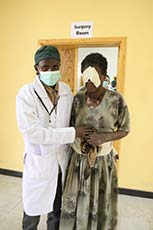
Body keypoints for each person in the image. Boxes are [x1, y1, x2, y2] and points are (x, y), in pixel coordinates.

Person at [16, 45, 89, 230]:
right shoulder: (26, 94)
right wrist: (73, 133)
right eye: (45, 68)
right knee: (32, 213)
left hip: (60, 163)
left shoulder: (65, 91)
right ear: (36, 68)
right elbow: (32, 132)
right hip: (39, 163)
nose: (51, 71)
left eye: (55, 67)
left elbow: (71, 119)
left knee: (56, 212)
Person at [59, 53, 130, 230]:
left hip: (102, 164)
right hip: (78, 163)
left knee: (99, 206)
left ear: (104, 76)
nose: (88, 82)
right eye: (85, 76)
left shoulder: (116, 100)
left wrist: (104, 137)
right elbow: (69, 127)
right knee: (74, 205)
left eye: (93, 76)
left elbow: (125, 129)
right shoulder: (77, 98)